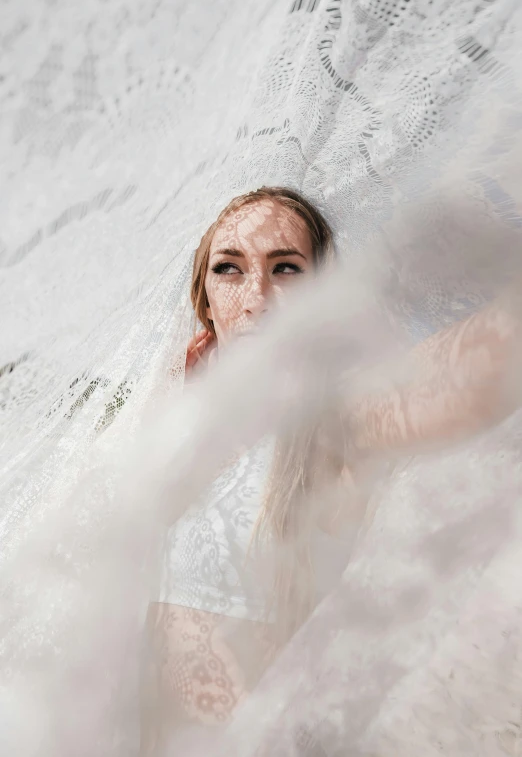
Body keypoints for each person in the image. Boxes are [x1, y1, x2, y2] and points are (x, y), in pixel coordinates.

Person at [142, 186, 522, 754]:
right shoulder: (173, 439)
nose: (258, 299)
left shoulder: (334, 421)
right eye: (229, 268)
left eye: (287, 269)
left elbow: (478, 367)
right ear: (205, 302)